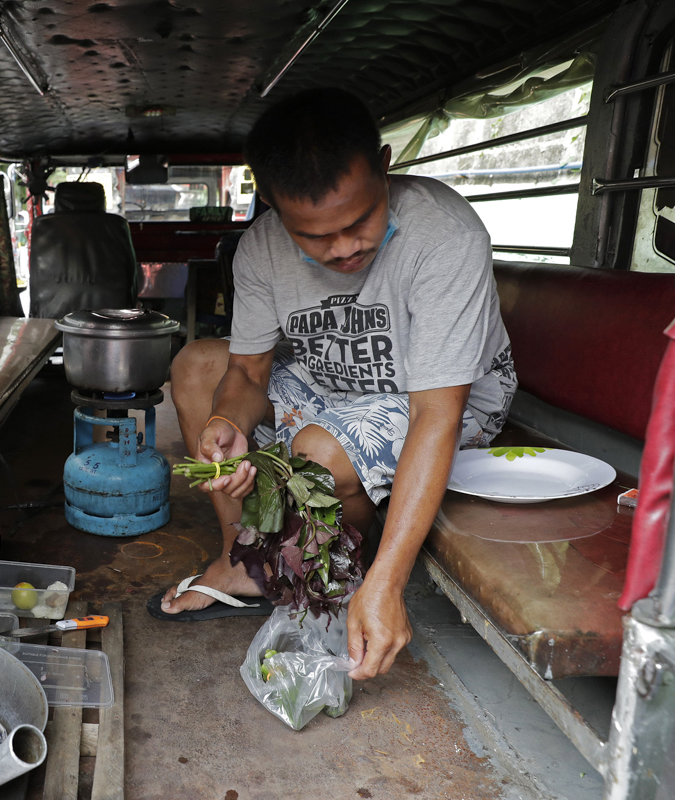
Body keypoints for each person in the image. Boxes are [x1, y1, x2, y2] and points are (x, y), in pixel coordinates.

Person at [154, 87, 517, 680]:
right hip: (331, 383)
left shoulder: (445, 237)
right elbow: (247, 372)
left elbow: (437, 413)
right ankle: (240, 562)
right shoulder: (260, 246)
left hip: (444, 397)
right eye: (315, 237)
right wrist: (228, 422)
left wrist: (390, 582)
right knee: (197, 364)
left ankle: (352, 576)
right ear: (270, 202)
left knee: (318, 451)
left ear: (384, 164)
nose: (345, 248)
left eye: (359, 221)